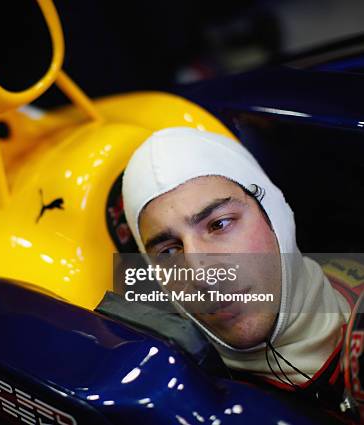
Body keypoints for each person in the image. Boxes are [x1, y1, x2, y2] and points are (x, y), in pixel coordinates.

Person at [121, 127, 354, 410]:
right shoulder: (183, 399)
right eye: (168, 251)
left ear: (273, 215)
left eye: (219, 225)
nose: (202, 275)